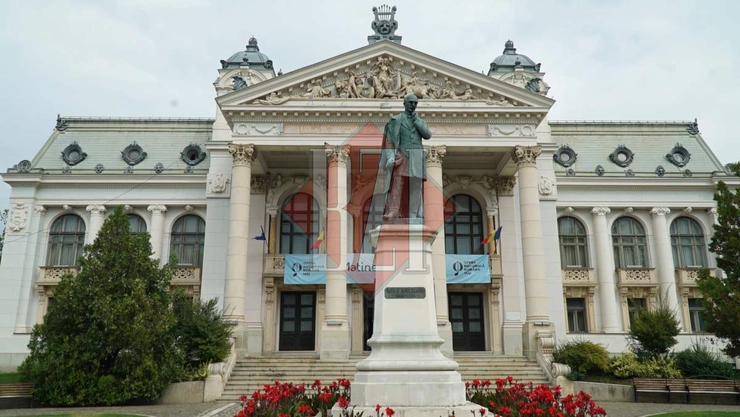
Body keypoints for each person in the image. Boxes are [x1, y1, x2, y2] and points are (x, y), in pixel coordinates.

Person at [379, 94, 432, 219]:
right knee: (397, 183)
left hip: (417, 158)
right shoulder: (396, 120)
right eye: (410, 103)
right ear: (404, 104)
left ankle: (413, 213)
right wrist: (391, 156)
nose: (413, 105)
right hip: (401, 156)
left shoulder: (420, 121)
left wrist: (416, 120)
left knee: (415, 186)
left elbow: (427, 135)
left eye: (415, 103)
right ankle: (393, 210)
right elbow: (390, 141)